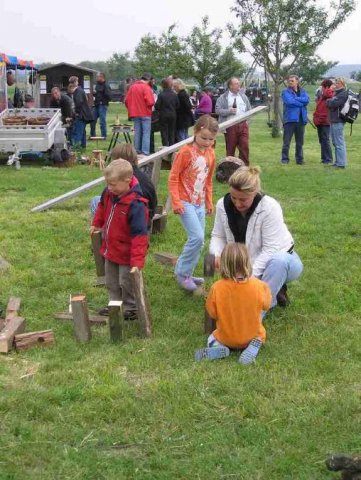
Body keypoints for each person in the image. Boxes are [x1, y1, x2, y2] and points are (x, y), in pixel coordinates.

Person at [209, 166, 303, 310]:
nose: (237, 203)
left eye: (243, 199)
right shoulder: (222, 204)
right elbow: (218, 235)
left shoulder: (270, 207)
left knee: (278, 261)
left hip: (282, 261)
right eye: (233, 197)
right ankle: (271, 290)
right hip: (244, 262)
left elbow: (270, 250)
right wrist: (216, 255)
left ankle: (258, 311)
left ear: (254, 193)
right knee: (209, 259)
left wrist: (246, 279)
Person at [91, 159, 149, 320]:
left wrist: (137, 262)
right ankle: (115, 305)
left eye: (113, 184)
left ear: (127, 181)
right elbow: (102, 207)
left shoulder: (136, 205)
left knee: (126, 281)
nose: (109, 188)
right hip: (111, 250)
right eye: (108, 184)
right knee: (111, 281)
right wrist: (97, 223)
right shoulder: (109, 194)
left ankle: (131, 308)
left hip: (127, 255)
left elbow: (140, 236)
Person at [195, 243, 272, 364]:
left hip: (226, 338)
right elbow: (267, 305)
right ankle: (254, 346)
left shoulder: (217, 288)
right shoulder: (260, 286)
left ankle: (217, 347)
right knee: (260, 335)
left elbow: (212, 313)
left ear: (223, 264)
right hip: (252, 335)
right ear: (247, 262)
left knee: (212, 337)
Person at [169, 115, 218, 292]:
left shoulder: (211, 154)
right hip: (184, 201)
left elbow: (208, 181)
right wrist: (176, 202)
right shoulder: (185, 152)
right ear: (195, 132)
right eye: (203, 138)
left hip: (199, 203)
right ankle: (182, 273)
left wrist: (209, 201)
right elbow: (173, 177)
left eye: (211, 139)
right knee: (196, 237)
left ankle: (186, 272)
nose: (207, 142)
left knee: (199, 241)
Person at [90, 143, 158, 223]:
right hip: (148, 215)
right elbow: (153, 203)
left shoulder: (121, 178)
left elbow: (110, 197)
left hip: (129, 217)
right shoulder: (144, 177)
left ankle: (101, 227)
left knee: (95, 200)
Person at [215, 77, 251, 165]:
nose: (239, 85)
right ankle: (229, 168)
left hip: (243, 125)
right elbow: (217, 110)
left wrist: (247, 122)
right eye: (236, 84)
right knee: (230, 148)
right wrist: (229, 111)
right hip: (230, 125)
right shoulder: (223, 97)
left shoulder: (243, 96)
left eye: (239, 83)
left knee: (244, 147)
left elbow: (249, 109)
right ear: (230, 86)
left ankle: (244, 168)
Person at [281, 75, 309, 165]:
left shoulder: (303, 91)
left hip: (301, 120)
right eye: (289, 81)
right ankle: (285, 159)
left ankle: (299, 160)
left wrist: (296, 98)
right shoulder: (285, 92)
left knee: (300, 142)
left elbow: (307, 100)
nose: (290, 82)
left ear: (297, 81)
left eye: (292, 81)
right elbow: (289, 102)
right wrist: (301, 103)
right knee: (286, 142)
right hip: (290, 120)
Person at [124, 73, 155, 156]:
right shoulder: (146, 87)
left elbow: (126, 101)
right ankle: (145, 152)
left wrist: (131, 109)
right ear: (148, 80)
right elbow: (150, 102)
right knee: (146, 133)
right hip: (145, 113)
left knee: (137, 132)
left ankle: (137, 151)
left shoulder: (132, 87)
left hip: (135, 114)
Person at [326, 77, 348, 169]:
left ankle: (341, 164)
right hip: (334, 120)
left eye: (337, 83)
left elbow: (333, 104)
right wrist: (330, 101)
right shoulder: (337, 93)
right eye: (335, 83)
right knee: (335, 142)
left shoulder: (343, 94)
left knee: (339, 142)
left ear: (342, 84)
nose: (335, 85)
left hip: (338, 120)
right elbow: (330, 103)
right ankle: (338, 162)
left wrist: (329, 101)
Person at [313, 79, 334, 164]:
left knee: (325, 139)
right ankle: (324, 158)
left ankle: (328, 159)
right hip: (320, 120)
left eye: (322, 86)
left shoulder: (329, 93)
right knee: (322, 140)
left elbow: (328, 93)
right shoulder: (322, 95)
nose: (320, 88)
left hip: (325, 120)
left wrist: (327, 89)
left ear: (326, 87)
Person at [68, 76, 93, 150]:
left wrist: (76, 112)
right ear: (76, 82)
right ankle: (83, 147)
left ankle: (75, 149)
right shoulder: (80, 90)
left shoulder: (78, 91)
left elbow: (79, 103)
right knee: (82, 132)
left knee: (78, 132)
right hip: (84, 114)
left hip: (81, 115)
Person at [154, 77, 179, 147]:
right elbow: (177, 105)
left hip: (163, 115)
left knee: (164, 131)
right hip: (173, 115)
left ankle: (165, 145)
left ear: (163, 85)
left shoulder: (161, 95)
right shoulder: (174, 94)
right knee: (172, 131)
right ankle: (171, 145)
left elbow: (157, 106)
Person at [90, 72, 112, 139]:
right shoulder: (97, 85)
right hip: (96, 105)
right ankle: (93, 136)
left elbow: (109, 97)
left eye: (98, 77)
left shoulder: (106, 85)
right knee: (92, 120)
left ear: (102, 77)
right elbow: (97, 94)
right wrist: (94, 94)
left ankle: (103, 136)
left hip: (102, 105)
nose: (96, 78)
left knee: (102, 122)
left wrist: (102, 101)